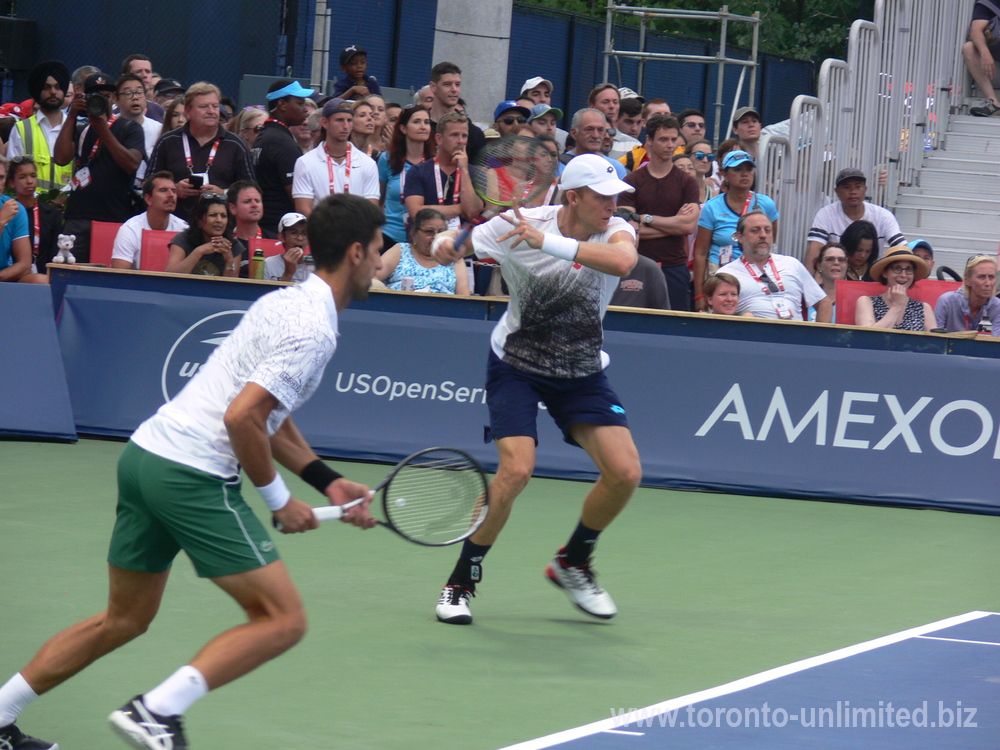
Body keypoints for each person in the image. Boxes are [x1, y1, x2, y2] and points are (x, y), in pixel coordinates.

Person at [0, 194, 384, 750]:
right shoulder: (314, 330)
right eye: (376, 250)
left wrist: (325, 481)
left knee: (124, 619)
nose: (379, 261)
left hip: (145, 458)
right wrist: (280, 502)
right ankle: (158, 711)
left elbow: (267, 415)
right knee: (283, 618)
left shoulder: (288, 301)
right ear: (354, 253)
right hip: (190, 474)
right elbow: (242, 417)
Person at [431, 153, 641, 625]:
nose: (613, 205)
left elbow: (625, 262)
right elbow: (461, 239)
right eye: (603, 197)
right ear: (574, 197)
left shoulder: (614, 230)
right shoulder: (518, 222)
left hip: (581, 370)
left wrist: (546, 242)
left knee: (625, 473)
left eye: (615, 197)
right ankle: (461, 580)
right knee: (516, 471)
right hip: (517, 364)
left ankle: (573, 562)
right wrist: (448, 242)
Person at [54, 72, 146, 262]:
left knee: (106, 277)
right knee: (69, 270)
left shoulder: (130, 127)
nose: (100, 101)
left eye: (105, 96)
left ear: (113, 98)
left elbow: (132, 165)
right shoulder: (81, 129)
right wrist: (71, 115)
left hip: (113, 216)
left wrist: (104, 129)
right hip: (78, 215)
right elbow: (61, 158)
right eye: (94, 96)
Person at [618, 114, 700, 311]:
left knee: (675, 329)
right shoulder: (631, 182)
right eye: (663, 139)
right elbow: (629, 231)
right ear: (649, 141)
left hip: (674, 266)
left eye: (673, 139)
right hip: (638, 264)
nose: (670, 145)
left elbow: (688, 226)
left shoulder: (687, 182)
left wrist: (645, 218)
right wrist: (673, 226)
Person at [147, 82, 254, 223]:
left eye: (215, 106)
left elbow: (251, 190)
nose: (211, 111)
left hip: (220, 227)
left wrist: (223, 194)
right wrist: (173, 190)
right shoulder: (168, 141)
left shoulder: (235, 144)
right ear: (188, 112)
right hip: (174, 224)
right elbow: (147, 184)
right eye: (204, 107)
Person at [692, 150, 779, 311]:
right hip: (720, 272)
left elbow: (770, 242)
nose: (744, 174)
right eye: (737, 170)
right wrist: (700, 295)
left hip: (755, 271)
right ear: (724, 174)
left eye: (748, 169)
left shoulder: (766, 204)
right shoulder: (712, 207)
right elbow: (701, 253)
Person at [719, 210, 830, 321]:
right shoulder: (727, 273)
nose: (763, 235)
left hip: (795, 335)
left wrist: (819, 337)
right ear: (740, 237)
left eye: (767, 230)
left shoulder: (792, 264)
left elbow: (824, 304)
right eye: (755, 231)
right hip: (754, 336)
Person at [804, 168, 905, 273]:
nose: (853, 192)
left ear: (865, 189)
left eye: (858, 186)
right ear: (837, 191)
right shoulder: (826, 214)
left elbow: (901, 248)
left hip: (872, 274)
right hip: (835, 274)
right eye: (847, 187)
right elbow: (815, 251)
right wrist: (810, 285)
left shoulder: (883, 216)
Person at [292, 98, 380, 216]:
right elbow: (303, 208)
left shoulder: (368, 163)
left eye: (349, 120)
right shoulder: (305, 162)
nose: (345, 126)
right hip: (321, 232)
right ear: (324, 123)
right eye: (339, 120)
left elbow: (371, 209)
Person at [251, 79, 315, 234]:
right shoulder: (281, 142)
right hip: (280, 231)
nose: (305, 110)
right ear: (282, 105)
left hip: (268, 227)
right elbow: (296, 195)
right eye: (300, 104)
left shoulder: (265, 136)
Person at [402, 111, 482, 231]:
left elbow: (471, 212)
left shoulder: (475, 173)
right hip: (427, 243)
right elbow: (416, 213)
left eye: (464, 136)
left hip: (462, 244)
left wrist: (464, 171)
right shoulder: (418, 171)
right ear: (439, 139)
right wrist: (460, 208)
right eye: (454, 135)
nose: (460, 141)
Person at [8, 60, 73, 194]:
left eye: (58, 87)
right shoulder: (22, 129)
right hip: (31, 205)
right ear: (38, 91)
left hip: (68, 206)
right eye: (46, 87)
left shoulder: (76, 129)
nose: (53, 92)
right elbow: (14, 172)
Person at [377, 207, 469, 294]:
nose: (436, 237)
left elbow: (464, 296)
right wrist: (392, 294)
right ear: (414, 234)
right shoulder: (401, 250)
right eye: (429, 232)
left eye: (441, 232)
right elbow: (371, 278)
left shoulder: (453, 255)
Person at [378, 104, 434, 246]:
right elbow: (379, 198)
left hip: (426, 240)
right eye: (416, 122)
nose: (423, 126)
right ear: (403, 128)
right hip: (390, 236)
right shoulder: (387, 159)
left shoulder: (435, 162)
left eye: (426, 122)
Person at [111, 171, 188, 269]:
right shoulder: (130, 229)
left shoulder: (184, 229)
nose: (171, 195)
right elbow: (119, 277)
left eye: (174, 191)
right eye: (163, 190)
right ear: (148, 199)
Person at [855, 244, 936, 332]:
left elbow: (934, 343)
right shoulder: (867, 302)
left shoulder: (924, 308)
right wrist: (896, 307)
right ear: (885, 273)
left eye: (909, 269)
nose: (903, 275)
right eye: (897, 268)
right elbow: (868, 337)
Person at [165, 192, 245, 277]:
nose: (219, 220)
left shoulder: (234, 246)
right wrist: (199, 252)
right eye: (213, 215)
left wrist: (229, 260)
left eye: (223, 216)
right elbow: (170, 278)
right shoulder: (182, 239)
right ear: (199, 221)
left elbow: (231, 288)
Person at [9, 155, 62, 275]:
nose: (29, 181)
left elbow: (55, 252)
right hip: (12, 274)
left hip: (44, 276)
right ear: (12, 182)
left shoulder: (51, 214)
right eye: (23, 177)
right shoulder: (8, 212)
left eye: (33, 176)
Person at [427, 61, 486, 158]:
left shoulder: (473, 132)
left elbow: (482, 171)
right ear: (433, 87)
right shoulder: (421, 127)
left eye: (457, 84)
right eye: (447, 84)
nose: (454, 89)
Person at [934, 255, 1000, 334]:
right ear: (967, 281)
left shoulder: (997, 306)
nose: (988, 283)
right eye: (981, 277)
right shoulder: (947, 301)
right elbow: (934, 340)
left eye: (991, 277)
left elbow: (996, 343)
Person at [0, 156, 40, 284]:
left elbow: (24, 264)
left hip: (3, 275)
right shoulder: (6, 212)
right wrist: (1, 221)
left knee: (40, 281)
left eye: (1, 178)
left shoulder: (14, 208)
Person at [564, 108, 628, 178]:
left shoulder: (616, 167)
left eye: (600, 130)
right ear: (574, 133)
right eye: (589, 130)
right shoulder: (559, 165)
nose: (596, 135)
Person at [966, 1, 1000, 117]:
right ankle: (994, 103)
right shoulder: (991, 2)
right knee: (968, 48)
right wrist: (985, 54)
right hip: (993, 66)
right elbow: (975, 31)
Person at [263, 211, 313, 282]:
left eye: (304, 233)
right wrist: (288, 272)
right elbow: (266, 292)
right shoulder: (268, 264)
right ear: (282, 236)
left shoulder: (314, 267)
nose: (300, 238)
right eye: (294, 233)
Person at [120, 53, 165, 122]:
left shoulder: (158, 110)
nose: (144, 75)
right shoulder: (114, 112)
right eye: (138, 71)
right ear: (124, 77)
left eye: (148, 71)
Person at [812, 241, 847, 322]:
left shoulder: (855, 299)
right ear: (819, 266)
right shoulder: (808, 295)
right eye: (830, 259)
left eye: (841, 260)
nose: (836, 263)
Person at [685, 139, 717, 204]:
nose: (705, 160)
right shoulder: (676, 189)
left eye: (709, 157)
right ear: (688, 157)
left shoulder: (715, 196)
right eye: (699, 155)